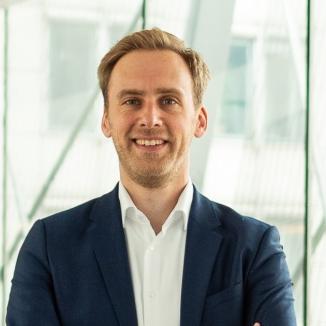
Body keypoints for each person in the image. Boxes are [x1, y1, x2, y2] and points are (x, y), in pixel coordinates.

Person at [6, 28, 296, 326]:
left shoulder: (255, 248)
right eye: (132, 101)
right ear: (106, 120)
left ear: (199, 120)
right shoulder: (51, 248)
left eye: (169, 101)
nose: (150, 119)